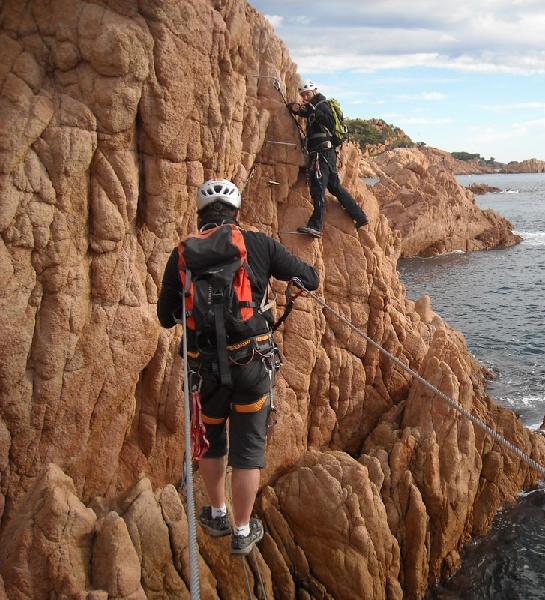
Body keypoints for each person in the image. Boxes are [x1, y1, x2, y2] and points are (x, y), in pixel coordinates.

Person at [157, 179, 319, 554]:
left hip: (205, 370)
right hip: (251, 365)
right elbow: (310, 277)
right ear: (236, 214)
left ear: (201, 216)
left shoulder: (182, 255)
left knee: (212, 443)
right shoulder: (258, 244)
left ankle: (217, 513)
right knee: (247, 450)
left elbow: (166, 317)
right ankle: (243, 531)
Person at [288, 80, 368, 238]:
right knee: (335, 187)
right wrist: (294, 107)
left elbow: (328, 121)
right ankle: (360, 216)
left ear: (315, 91)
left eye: (307, 94)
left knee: (318, 189)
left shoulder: (321, 106)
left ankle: (316, 226)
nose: (305, 97)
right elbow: (303, 111)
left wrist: (312, 110)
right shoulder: (314, 106)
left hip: (321, 153)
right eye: (303, 95)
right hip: (327, 153)